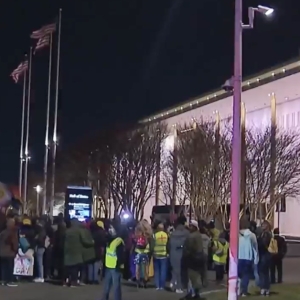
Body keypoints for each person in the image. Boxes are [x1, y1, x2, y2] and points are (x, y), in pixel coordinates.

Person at [181, 220, 204, 300]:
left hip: (192, 259)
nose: (189, 227)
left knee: (191, 277)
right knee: (196, 276)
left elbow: (189, 248)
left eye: (191, 226)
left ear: (194, 227)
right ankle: (195, 292)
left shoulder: (192, 236)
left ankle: (192, 293)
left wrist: (186, 253)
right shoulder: (198, 235)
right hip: (199, 258)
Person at [101, 224, 125, 300]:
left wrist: (120, 266)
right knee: (106, 287)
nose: (110, 230)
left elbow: (121, 256)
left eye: (112, 228)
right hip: (108, 266)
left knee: (116, 287)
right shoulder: (109, 239)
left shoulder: (118, 241)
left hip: (115, 267)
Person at [237, 217, 259, 296]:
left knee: (239, 275)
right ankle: (244, 291)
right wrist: (256, 258)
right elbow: (255, 247)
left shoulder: (237, 235)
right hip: (248, 257)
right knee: (246, 275)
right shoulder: (251, 235)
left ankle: (238, 290)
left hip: (238, 257)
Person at [169, 216, 189, 293]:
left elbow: (169, 244)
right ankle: (178, 287)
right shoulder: (186, 233)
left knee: (174, 270)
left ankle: (173, 282)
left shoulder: (173, 233)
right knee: (181, 271)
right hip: (182, 253)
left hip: (173, 253)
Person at [0, 218, 19, 287]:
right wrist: (15, 250)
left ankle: (2, 280)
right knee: (10, 267)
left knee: (3, 268)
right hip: (9, 252)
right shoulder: (12, 232)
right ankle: (9, 281)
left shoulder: (3, 232)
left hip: (2, 252)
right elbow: (14, 242)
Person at [257, 220, 273, 296]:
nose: (262, 226)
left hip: (264, 255)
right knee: (265, 272)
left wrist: (258, 241)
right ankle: (266, 288)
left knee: (262, 272)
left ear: (267, 226)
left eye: (263, 225)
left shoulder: (266, 235)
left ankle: (264, 288)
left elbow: (263, 244)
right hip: (266, 255)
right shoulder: (265, 234)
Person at [153, 223, 169, 290]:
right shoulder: (166, 235)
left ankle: (157, 285)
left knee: (157, 271)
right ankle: (162, 285)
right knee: (163, 270)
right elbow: (167, 244)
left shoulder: (155, 235)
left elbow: (153, 244)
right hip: (164, 254)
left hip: (156, 254)